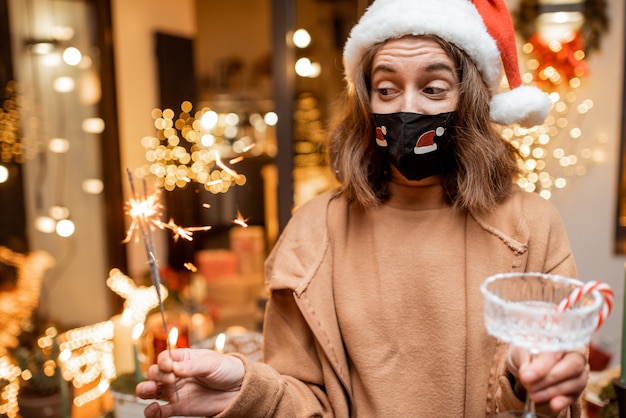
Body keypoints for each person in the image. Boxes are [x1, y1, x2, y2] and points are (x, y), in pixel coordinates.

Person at [136, 0, 590, 416]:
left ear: (469, 100)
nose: (406, 107)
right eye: (387, 89)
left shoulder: (531, 226)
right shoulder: (315, 230)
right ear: (366, 100)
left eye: (433, 88)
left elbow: (560, 394)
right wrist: (244, 391)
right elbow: (302, 397)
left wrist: (531, 377)